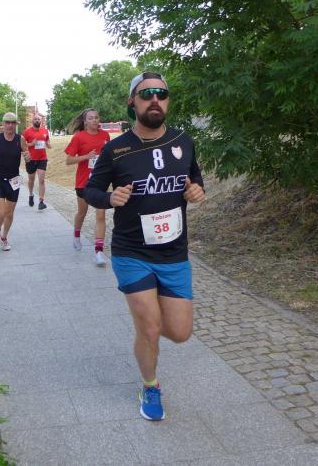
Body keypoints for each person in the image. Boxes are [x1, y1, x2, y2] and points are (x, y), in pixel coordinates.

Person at [84, 72, 205, 422]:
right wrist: (109, 198)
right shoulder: (116, 149)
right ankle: (150, 385)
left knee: (180, 332)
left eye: (161, 94)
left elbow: (195, 178)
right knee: (150, 327)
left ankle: (147, 323)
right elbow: (90, 190)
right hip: (132, 252)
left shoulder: (183, 140)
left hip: (174, 252)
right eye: (147, 93)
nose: (155, 99)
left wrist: (196, 189)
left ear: (167, 101)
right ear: (132, 102)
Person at [64, 108, 111, 266]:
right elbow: (68, 160)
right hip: (83, 182)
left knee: (100, 215)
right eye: (91, 118)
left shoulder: (105, 136)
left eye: (96, 117)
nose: (94, 120)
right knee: (82, 213)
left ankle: (98, 252)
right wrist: (87, 156)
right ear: (85, 122)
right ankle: (76, 234)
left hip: (100, 182)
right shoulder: (79, 137)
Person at [0, 112, 30, 251]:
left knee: (9, 213)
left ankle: (4, 237)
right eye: (7, 123)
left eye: (12, 123)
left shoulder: (20, 139)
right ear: (3, 124)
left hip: (14, 180)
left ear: (16, 124)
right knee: (2, 211)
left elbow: (27, 155)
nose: (10, 125)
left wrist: (28, 157)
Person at [22, 112, 51, 210]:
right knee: (31, 179)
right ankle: (31, 195)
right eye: (35, 119)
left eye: (39, 119)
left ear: (41, 121)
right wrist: (31, 144)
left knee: (42, 180)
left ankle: (41, 201)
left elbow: (47, 141)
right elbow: (22, 144)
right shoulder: (27, 132)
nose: (37, 120)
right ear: (32, 121)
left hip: (42, 158)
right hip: (31, 159)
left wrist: (48, 144)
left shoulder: (45, 131)